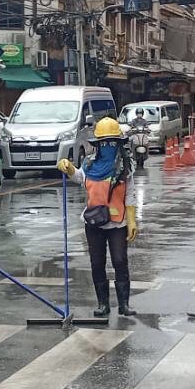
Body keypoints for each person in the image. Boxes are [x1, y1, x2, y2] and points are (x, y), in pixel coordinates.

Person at [57, 117, 139, 318]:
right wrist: (69, 169)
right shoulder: (90, 163)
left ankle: (124, 305)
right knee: (97, 262)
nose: (108, 146)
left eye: (112, 142)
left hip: (117, 222)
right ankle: (103, 304)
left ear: (118, 144)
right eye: (104, 143)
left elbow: (130, 194)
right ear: (98, 145)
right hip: (93, 222)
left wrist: (132, 220)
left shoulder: (124, 166)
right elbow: (81, 179)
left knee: (120, 261)